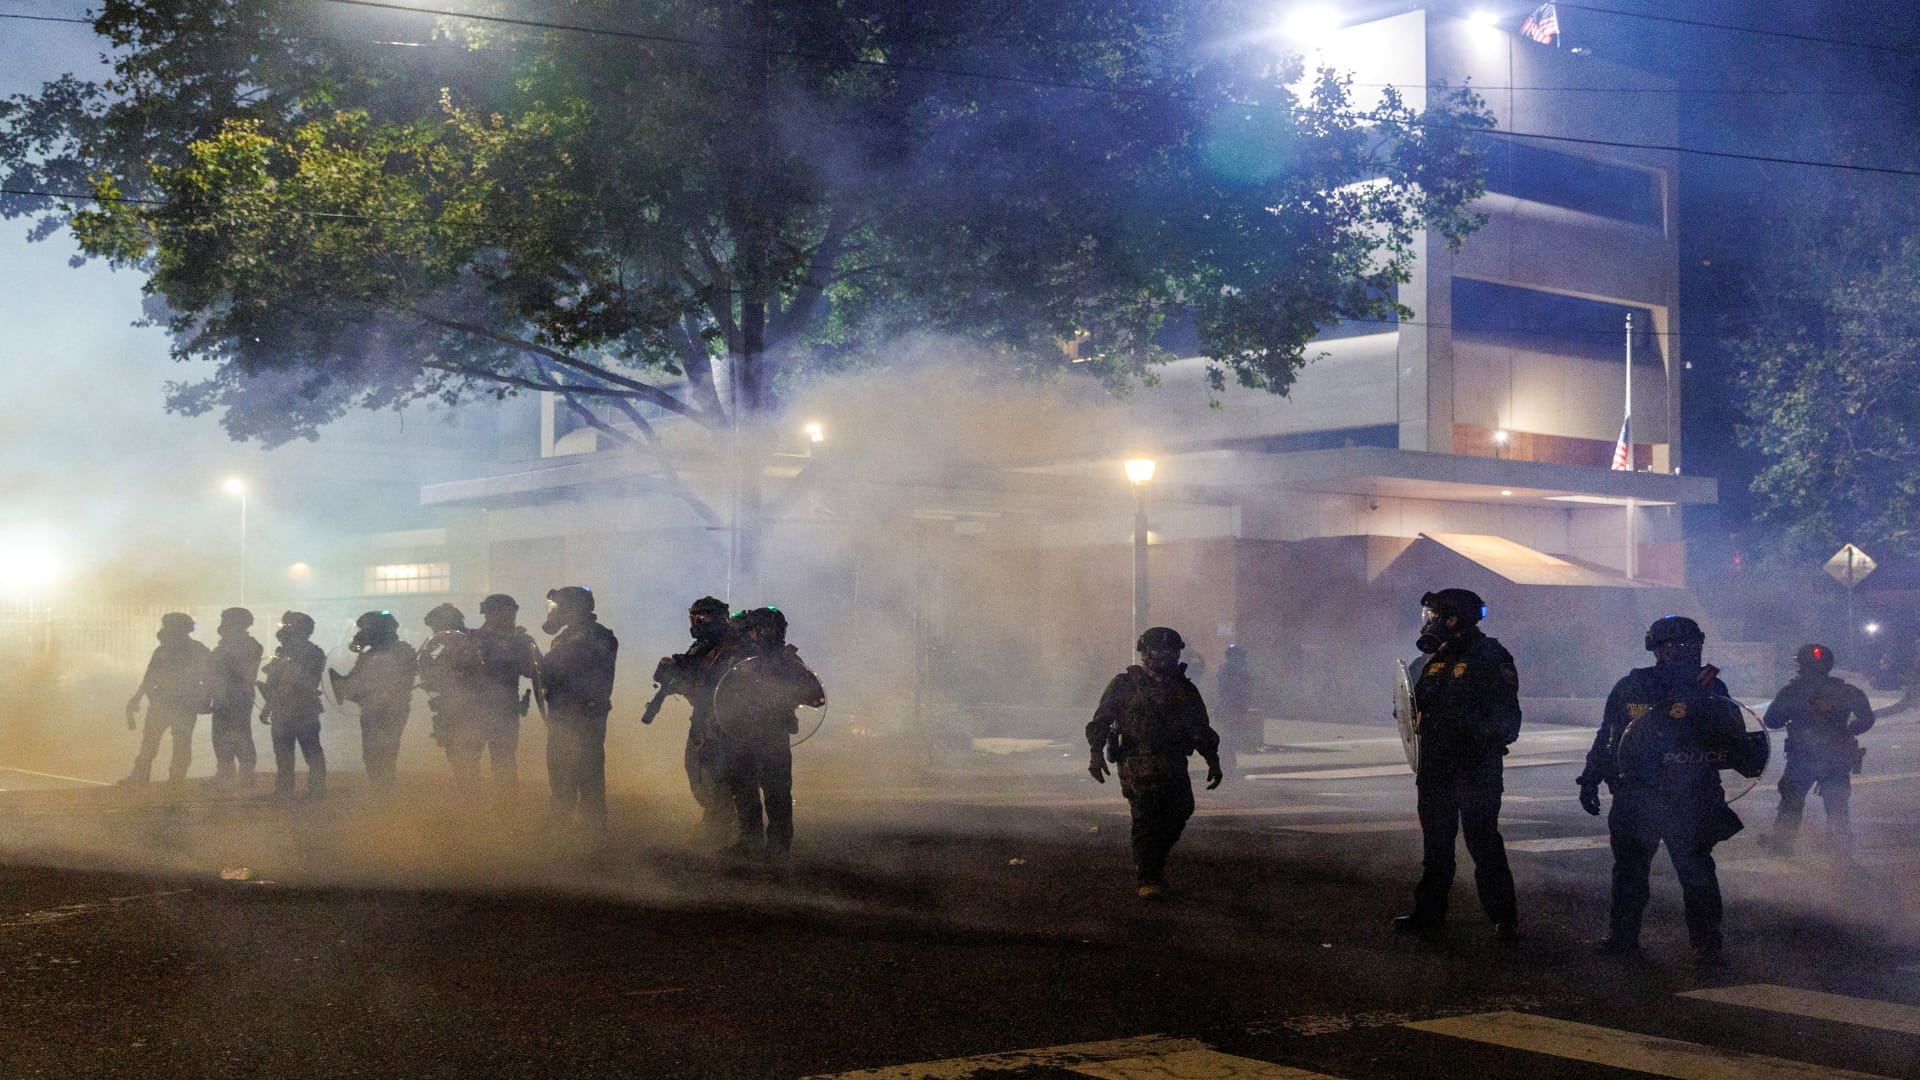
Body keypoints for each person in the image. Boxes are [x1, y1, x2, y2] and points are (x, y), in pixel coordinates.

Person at [1578, 615, 1746, 966]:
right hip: (1638, 794)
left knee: (1695, 871)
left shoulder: (1711, 688)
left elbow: (1734, 740)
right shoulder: (1633, 686)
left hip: (1689, 795)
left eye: (1692, 646)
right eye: (1678, 646)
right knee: (1630, 871)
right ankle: (1624, 937)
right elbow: (1609, 735)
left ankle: (1707, 943)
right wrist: (1590, 777)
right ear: (1657, 650)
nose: (1687, 652)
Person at [1392, 589, 1523, 943]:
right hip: (1435, 770)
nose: (1429, 622)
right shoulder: (1430, 661)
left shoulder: (1490, 656)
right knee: (1436, 848)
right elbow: (1409, 706)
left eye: (1435, 616)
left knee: (1483, 843)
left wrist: (1473, 738)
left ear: (1454, 619)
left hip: (1474, 769)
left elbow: (1508, 719)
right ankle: (1428, 913)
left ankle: (1503, 918)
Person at [1086, 626, 1223, 899]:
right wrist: (1096, 753)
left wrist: (1212, 759)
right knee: (1146, 815)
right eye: (1160, 650)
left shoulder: (1184, 689)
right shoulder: (1125, 685)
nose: (1166, 656)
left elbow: (1200, 727)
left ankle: (1153, 863)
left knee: (1181, 809)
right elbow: (1101, 721)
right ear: (1145, 654)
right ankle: (1148, 877)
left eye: (1171, 651)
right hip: (1137, 759)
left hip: (1172, 760)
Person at [714, 607, 824, 859]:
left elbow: (817, 697)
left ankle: (778, 847)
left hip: (773, 736)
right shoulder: (743, 663)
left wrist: (784, 695)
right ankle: (751, 841)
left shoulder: (789, 663)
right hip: (744, 734)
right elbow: (723, 693)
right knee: (745, 789)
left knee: (776, 793)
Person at [1762, 644, 1874, 855]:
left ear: (1801, 665)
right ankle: (1840, 848)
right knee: (1837, 804)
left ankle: (1782, 845)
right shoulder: (1846, 690)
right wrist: (1851, 729)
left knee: (1792, 802)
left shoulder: (1792, 691)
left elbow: (1772, 721)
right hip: (1837, 758)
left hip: (1802, 757)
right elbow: (1866, 719)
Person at [651, 596, 740, 838]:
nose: (698, 621)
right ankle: (717, 822)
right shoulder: (706, 645)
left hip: (720, 721)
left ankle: (720, 827)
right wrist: (672, 675)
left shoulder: (729, 648)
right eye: (695, 616)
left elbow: (713, 682)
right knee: (701, 773)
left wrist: (682, 674)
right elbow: (691, 674)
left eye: (704, 616)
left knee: (711, 774)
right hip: (705, 717)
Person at [541, 586, 619, 838]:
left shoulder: (596, 636)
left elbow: (561, 664)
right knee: (561, 776)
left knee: (587, 776)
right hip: (562, 717)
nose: (554, 613)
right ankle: (562, 831)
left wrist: (535, 659)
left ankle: (592, 837)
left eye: (558, 608)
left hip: (583, 719)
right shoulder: (568, 636)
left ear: (572, 608)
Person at [331, 611, 417, 795]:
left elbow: (377, 684)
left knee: (384, 753)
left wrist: (348, 687)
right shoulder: (374, 653)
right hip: (373, 710)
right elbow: (357, 682)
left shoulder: (398, 651)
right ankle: (380, 791)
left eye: (365, 629)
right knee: (372, 753)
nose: (361, 633)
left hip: (389, 711)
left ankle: (384, 794)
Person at [121, 612, 213, 784]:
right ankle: (173, 779)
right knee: (175, 742)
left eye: (167, 626)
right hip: (174, 703)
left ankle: (150, 777)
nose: (164, 629)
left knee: (158, 742)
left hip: (169, 703)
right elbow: (150, 676)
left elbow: (150, 678)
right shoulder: (192, 649)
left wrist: (138, 698)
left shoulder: (169, 650)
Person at [469, 594, 542, 800]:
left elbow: (535, 671)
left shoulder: (521, 641)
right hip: (475, 710)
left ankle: (506, 810)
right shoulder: (473, 638)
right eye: (504, 611)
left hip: (505, 710)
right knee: (468, 762)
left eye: (511, 611)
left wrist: (521, 648)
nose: (509, 616)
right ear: (490, 613)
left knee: (504, 763)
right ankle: (469, 807)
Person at [417, 603, 487, 788]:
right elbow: (426, 668)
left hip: (471, 707)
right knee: (456, 753)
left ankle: (470, 795)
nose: (434, 631)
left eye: (436, 626)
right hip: (448, 706)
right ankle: (468, 792)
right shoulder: (440, 644)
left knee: (467, 754)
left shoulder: (474, 641)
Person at [259, 611, 328, 798]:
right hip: (284, 709)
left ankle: (316, 789)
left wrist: (272, 704)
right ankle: (285, 789)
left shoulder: (312, 653)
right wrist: (268, 706)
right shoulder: (284, 653)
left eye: (286, 626)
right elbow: (274, 683)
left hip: (302, 709)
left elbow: (302, 682)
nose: (282, 630)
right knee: (283, 753)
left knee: (311, 751)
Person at [208, 607, 263, 787]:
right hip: (222, 697)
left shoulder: (249, 645)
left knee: (240, 735)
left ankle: (246, 774)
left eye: (226, 620)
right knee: (220, 736)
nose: (223, 625)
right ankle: (225, 773)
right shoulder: (226, 645)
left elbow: (239, 672)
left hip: (238, 697)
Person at [1214, 643, 1257, 760]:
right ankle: (1228, 765)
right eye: (1240, 657)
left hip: (1233, 708)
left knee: (1231, 737)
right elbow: (1235, 691)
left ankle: (1228, 764)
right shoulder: (1232, 671)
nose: (1243, 659)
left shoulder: (1231, 670)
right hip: (1231, 708)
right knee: (1229, 737)